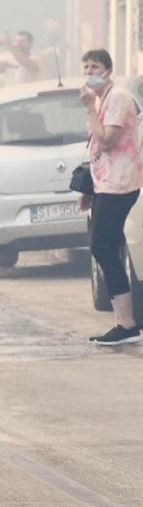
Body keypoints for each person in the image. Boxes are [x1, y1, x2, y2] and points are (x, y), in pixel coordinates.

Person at [79, 48, 142, 345]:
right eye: (86, 66)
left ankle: (126, 324)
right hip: (105, 184)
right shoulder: (103, 99)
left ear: (108, 69)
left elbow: (107, 140)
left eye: (95, 66)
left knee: (102, 246)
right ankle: (123, 322)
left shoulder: (116, 98)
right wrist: (89, 191)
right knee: (105, 246)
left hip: (120, 184)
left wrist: (90, 108)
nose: (90, 71)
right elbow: (94, 148)